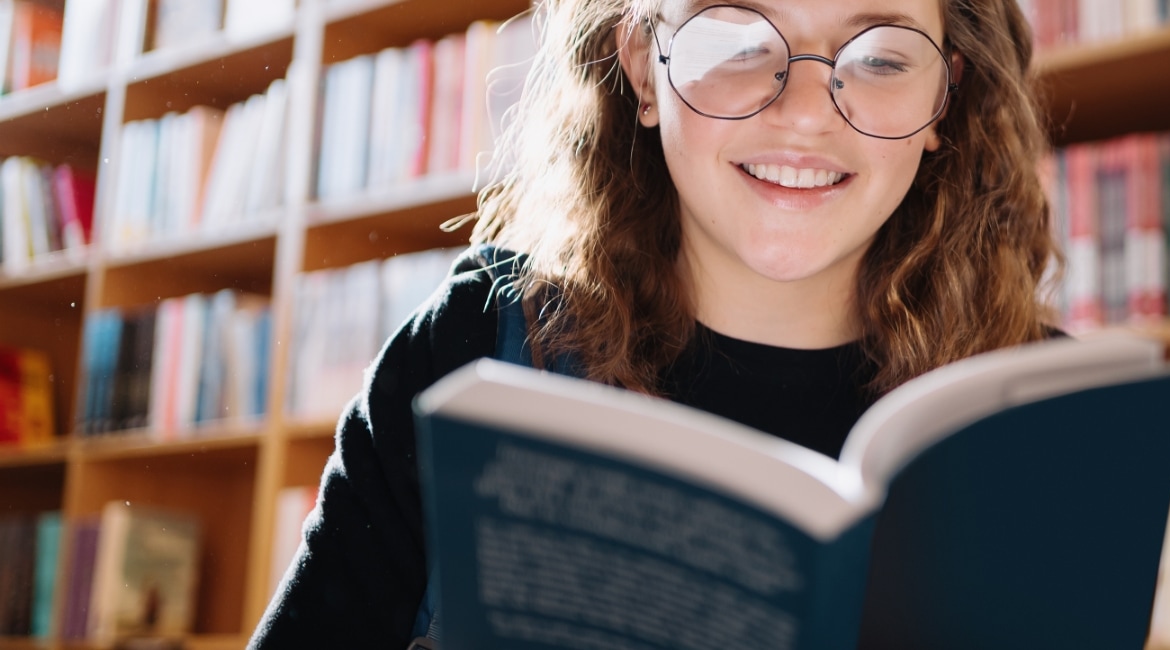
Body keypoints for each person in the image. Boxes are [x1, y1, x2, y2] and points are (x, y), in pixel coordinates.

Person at [248, 0, 1057, 646]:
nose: (808, 113)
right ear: (642, 65)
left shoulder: (1048, 414)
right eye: (737, 39)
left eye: (880, 56)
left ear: (943, 95)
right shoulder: (468, 346)